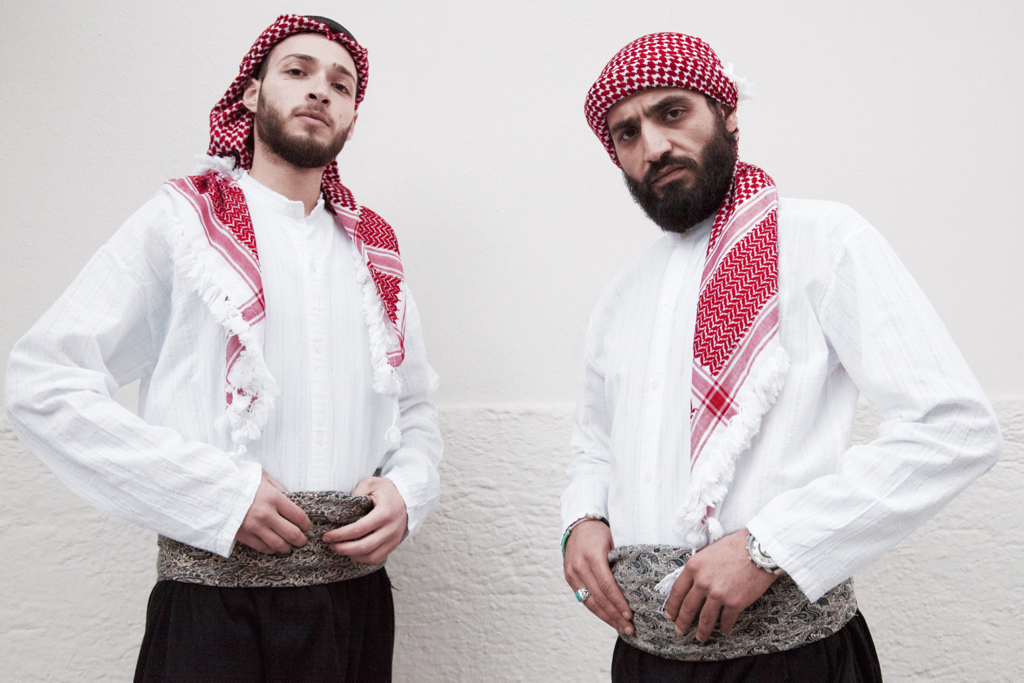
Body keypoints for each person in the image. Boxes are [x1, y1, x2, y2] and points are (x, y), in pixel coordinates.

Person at [4, 14, 442, 683]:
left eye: (341, 84)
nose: (319, 91)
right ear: (251, 92)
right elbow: (43, 380)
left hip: (353, 609)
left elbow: (414, 408)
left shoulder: (373, 250)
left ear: (353, 118)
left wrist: (409, 491)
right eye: (297, 71)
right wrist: (215, 497)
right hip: (213, 610)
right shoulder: (181, 222)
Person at [560, 32, 1002, 682]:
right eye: (628, 133)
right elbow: (594, 446)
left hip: (794, 664)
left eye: (672, 112)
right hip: (644, 661)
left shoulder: (825, 241)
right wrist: (581, 519)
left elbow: (954, 426)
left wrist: (772, 546)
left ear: (727, 112)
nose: (653, 147)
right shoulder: (621, 295)